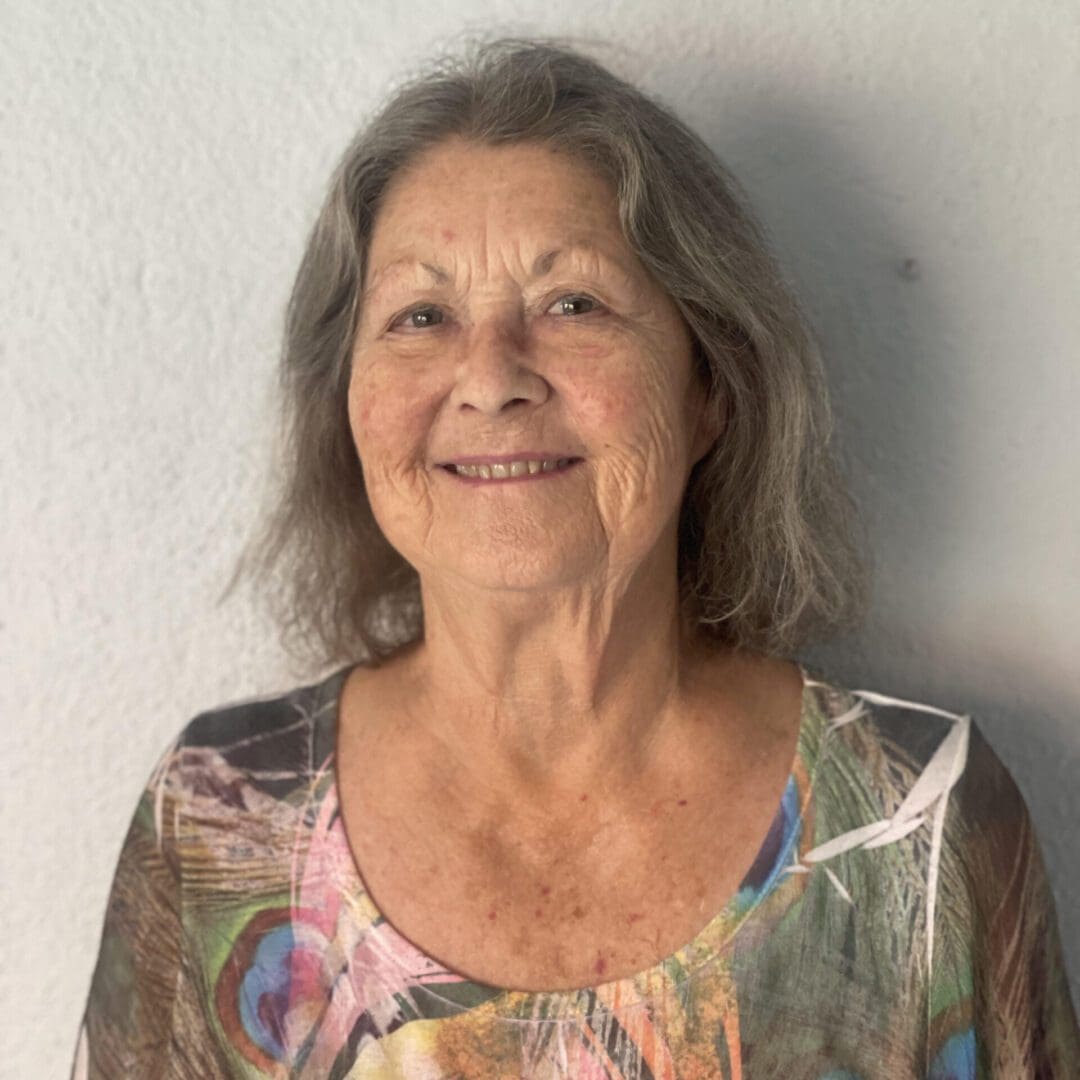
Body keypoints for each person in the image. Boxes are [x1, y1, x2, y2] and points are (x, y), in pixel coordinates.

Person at [72, 34, 1078, 1079]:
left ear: (711, 388)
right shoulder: (216, 823)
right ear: (350, 407)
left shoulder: (921, 825)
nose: (492, 377)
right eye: (421, 316)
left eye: (573, 304)